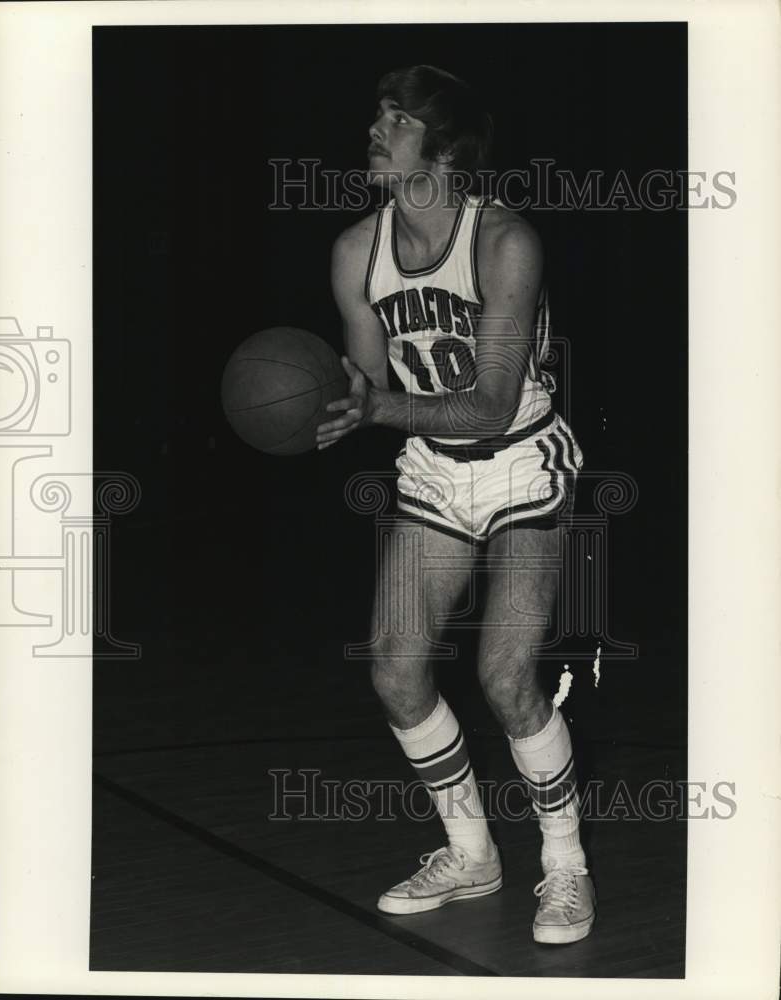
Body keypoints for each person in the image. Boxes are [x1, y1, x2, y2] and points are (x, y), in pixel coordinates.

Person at [316, 65, 595, 945]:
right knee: (395, 672)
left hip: (518, 459)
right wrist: (320, 400)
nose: (375, 130)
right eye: (378, 114)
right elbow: (364, 379)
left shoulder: (507, 241)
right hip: (435, 467)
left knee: (507, 678)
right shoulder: (354, 250)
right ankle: (471, 854)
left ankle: (566, 868)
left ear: (441, 150)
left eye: (395, 121)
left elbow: (488, 399)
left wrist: (374, 409)